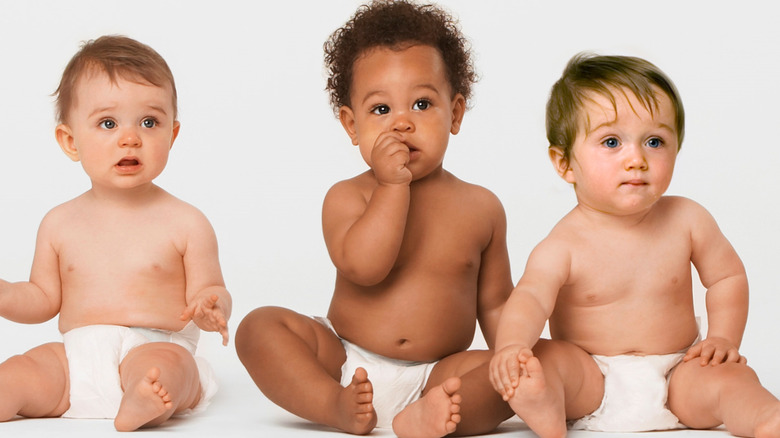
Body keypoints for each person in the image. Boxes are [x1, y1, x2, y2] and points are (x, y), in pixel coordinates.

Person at [235, 1, 514, 437]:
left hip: (439, 373)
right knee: (259, 327)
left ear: (455, 113)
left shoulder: (481, 207)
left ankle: (426, 417)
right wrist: (390, 187)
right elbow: (365, 267)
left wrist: (513, 358)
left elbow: (496, 303)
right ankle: (333, 407)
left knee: (508, 376)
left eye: (422, 103)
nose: (402, 124)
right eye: (381, 110)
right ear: (351, 125)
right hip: (345, 359)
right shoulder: (347, 196)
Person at [489, 53, 780, 438]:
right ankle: (544, 406)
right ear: (565, 164)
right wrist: (512, 346)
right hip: (591, 377)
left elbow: (727, 277)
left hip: (679, 372)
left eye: (655, 141)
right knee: (547, 359)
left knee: (732, 379)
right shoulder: (562, 245)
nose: (636, 159)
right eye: (612, 142)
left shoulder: (688, 220)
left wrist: (722, 339)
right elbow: (529, 299)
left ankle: (765, 418)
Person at [0, 35, 231, 432]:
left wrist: (213, 308)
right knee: (23, 369)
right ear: (70, 141)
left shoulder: (186, 222)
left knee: (172, 371)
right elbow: (41, 298)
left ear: (172, 136)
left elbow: (210, 288)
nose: (130, 137)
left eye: (149, 122)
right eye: (108, 123)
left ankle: (143, 401)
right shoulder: (58, 223)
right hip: (77, 360)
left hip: (156, 346)